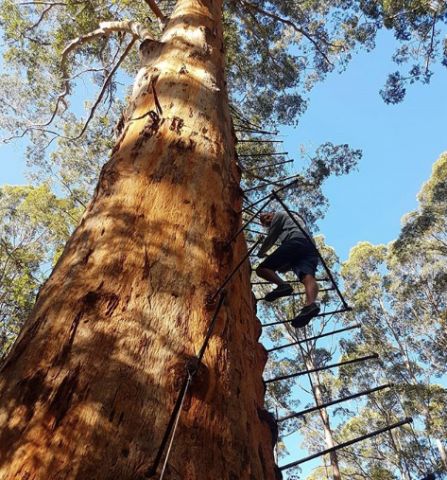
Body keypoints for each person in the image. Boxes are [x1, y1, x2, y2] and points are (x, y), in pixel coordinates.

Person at [256, 210, 320, 327]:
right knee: (307, 277)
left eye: (267, 216)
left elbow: (271, 236)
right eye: (264, 221)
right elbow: (286, 260)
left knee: (262, 269)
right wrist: (282, 266)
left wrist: (260, 253)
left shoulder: (280, 214)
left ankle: (283, 286)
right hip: (310, 247)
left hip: (296, 241)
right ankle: (310, 305)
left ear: (272, 213)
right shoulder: (294, 223)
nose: (266, 219)